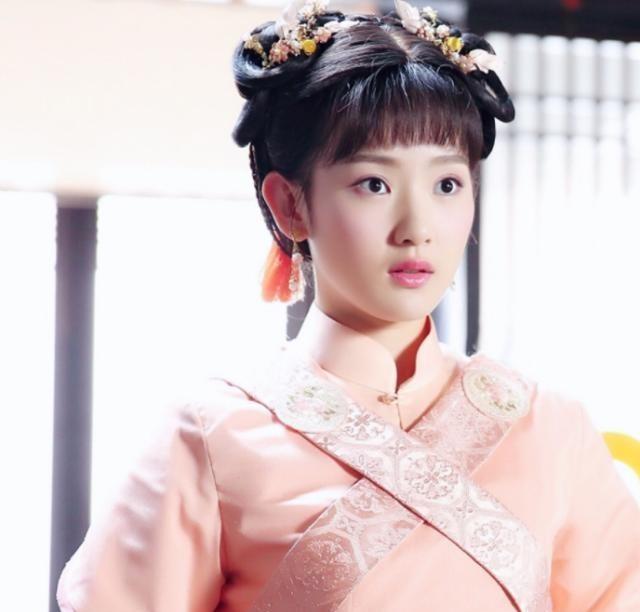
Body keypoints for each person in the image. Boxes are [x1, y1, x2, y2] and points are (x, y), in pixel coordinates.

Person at [56, 0, 640, 610]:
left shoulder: (549, 426)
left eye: (446, 184)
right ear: (290, 205)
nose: (418, 228)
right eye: (374, 184)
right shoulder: (210, 432)